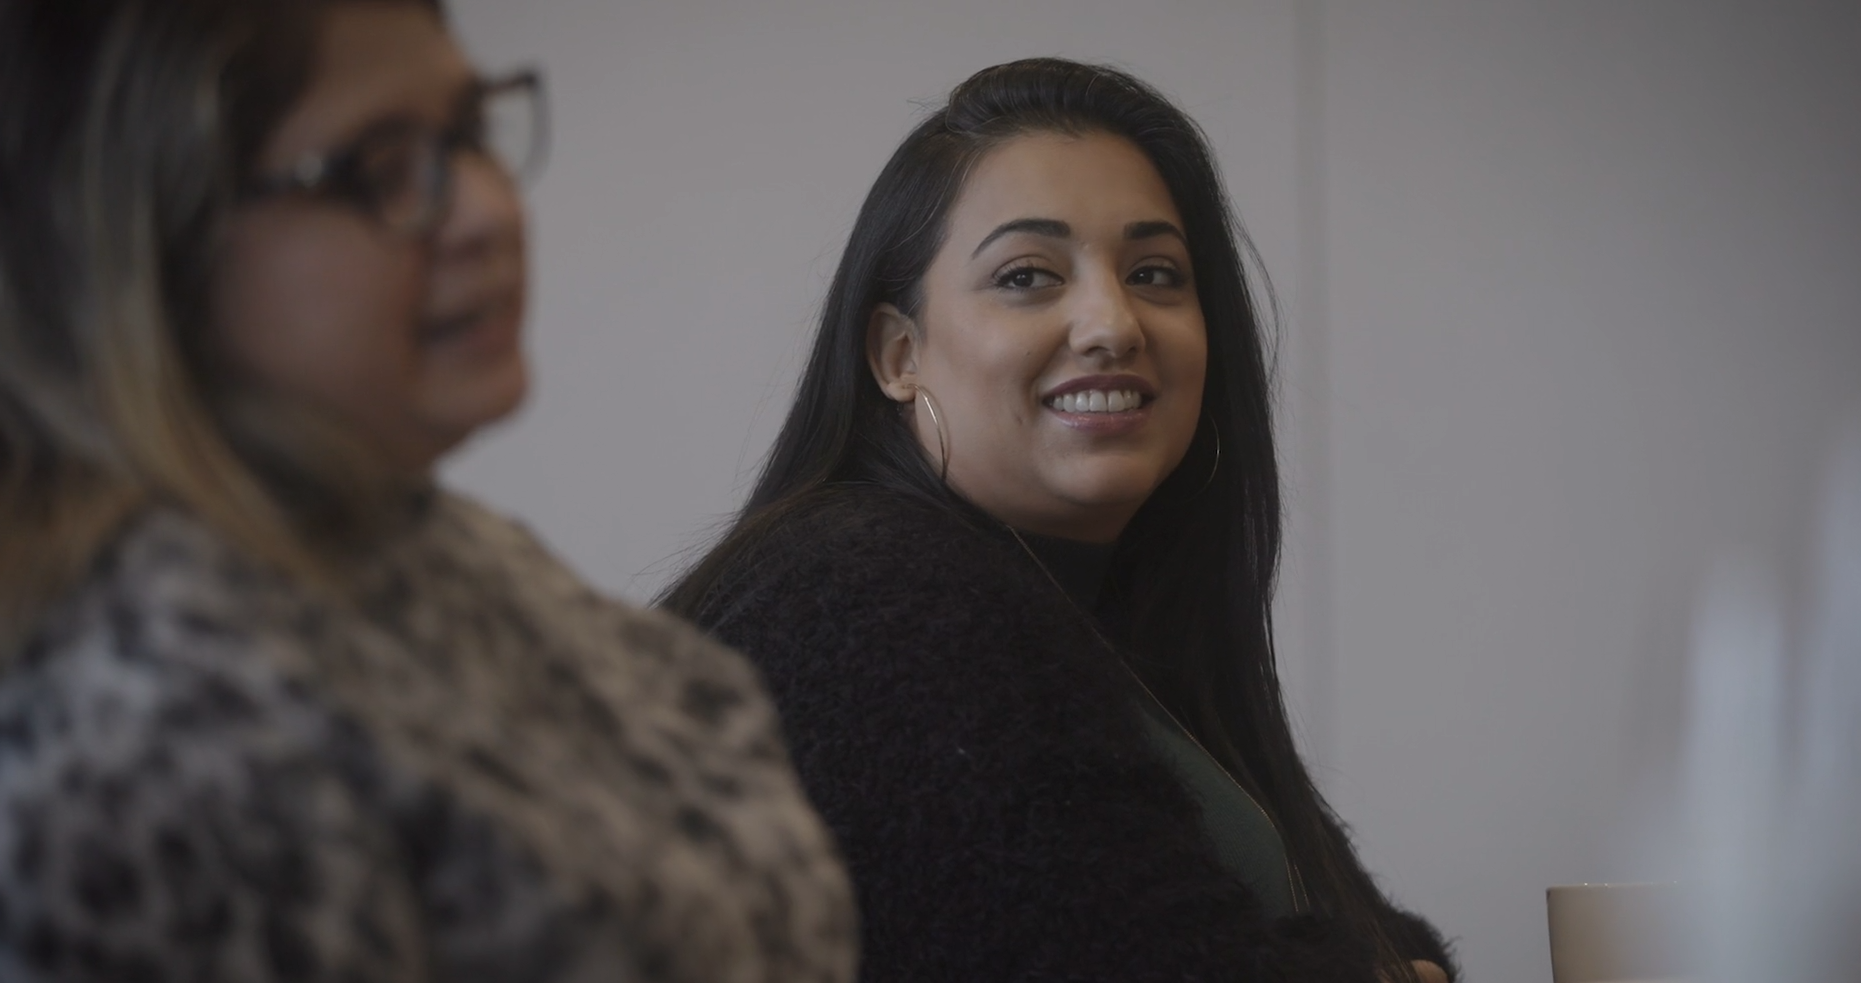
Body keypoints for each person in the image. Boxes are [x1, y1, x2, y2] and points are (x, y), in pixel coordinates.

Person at [0, 1, 855, 979]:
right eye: (378, 166)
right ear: (146, 238)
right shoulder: (136, 730)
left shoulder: (424, 542)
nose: (489, 208)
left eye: (470, 134)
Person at [663, 58, 1454, 982]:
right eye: (1028, 275)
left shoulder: (1113, 623)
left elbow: (1364, 933)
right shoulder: (866, 598)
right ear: (897, 352)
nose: (1110, 322)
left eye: (1155, 272)